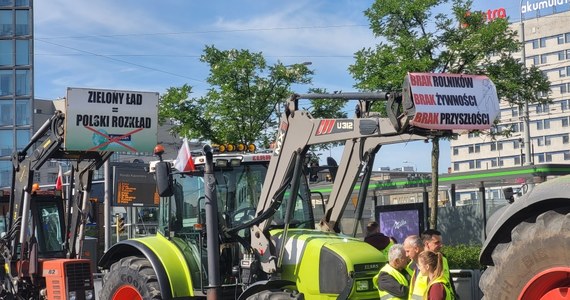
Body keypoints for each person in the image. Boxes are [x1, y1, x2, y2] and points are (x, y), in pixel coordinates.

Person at [421, 229, 458, 300]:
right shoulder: (419, 261)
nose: (441, 245)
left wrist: (455, 296)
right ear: (427, 244)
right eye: (437, 242)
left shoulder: (442, 258)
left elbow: (449, 280)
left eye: (441, 242)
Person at [404, 235, 427, 300]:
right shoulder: (413, 267)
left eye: (408, 251)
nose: (406, 255)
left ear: (416, 249)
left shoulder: (430, 265)